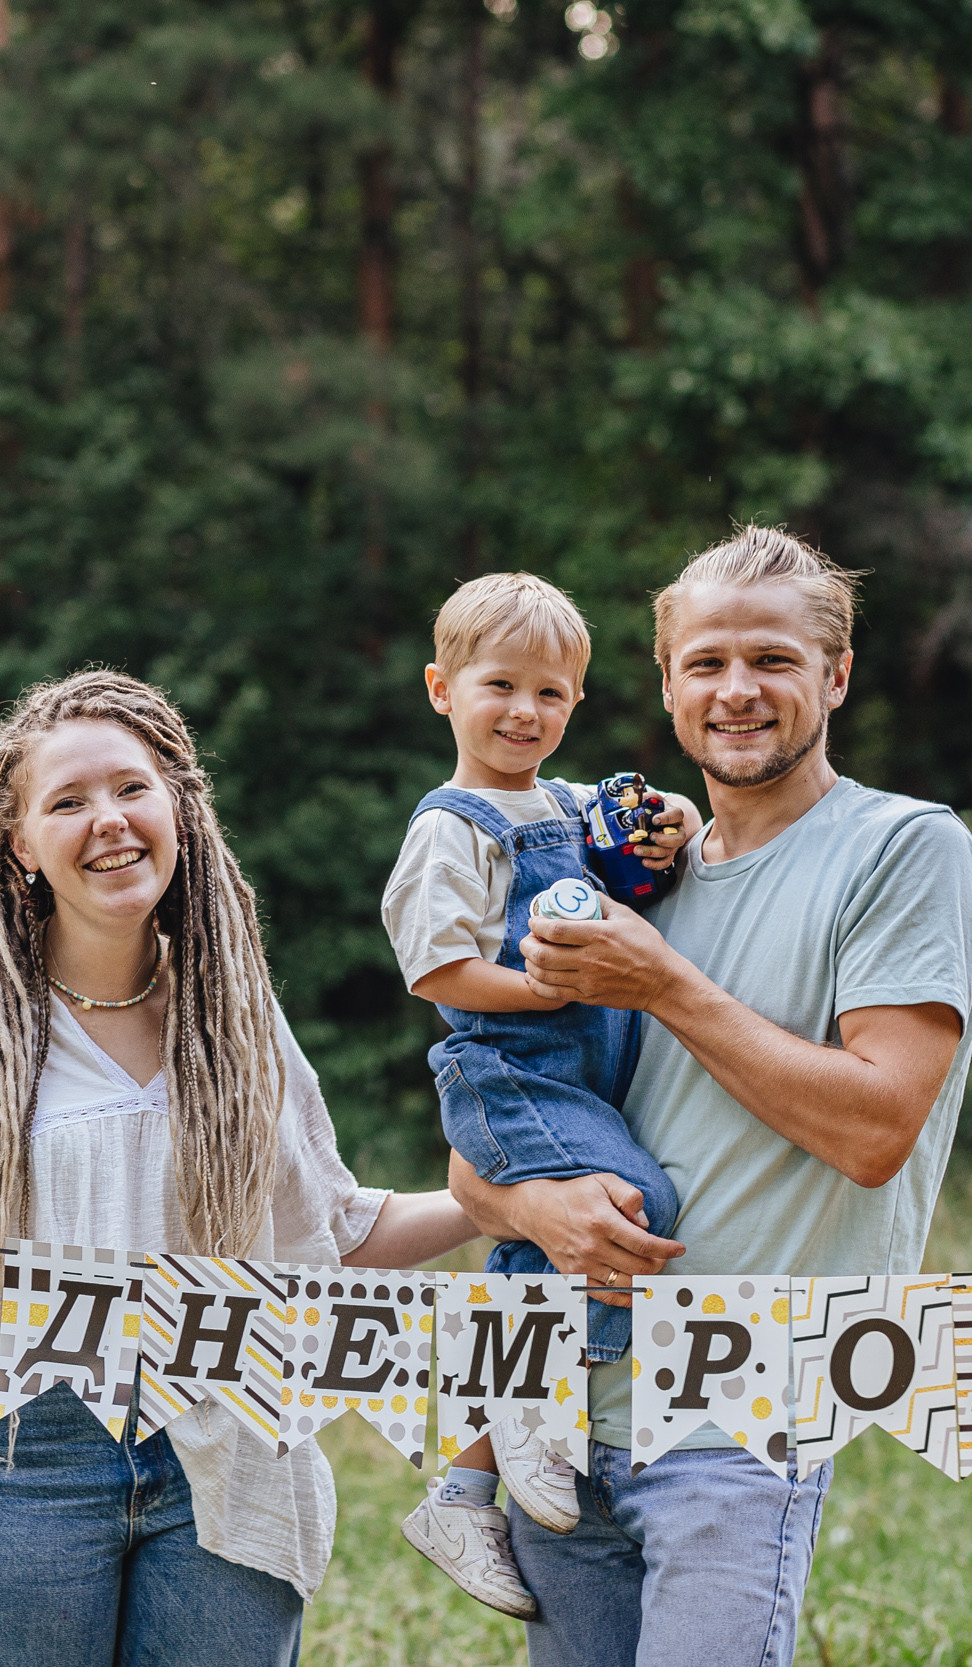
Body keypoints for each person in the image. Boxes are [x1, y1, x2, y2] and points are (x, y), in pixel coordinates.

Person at [0, 669, 478, 1667]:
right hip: (11, 1458)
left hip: (227, 1450)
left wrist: (492, 1202)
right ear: (19, 846)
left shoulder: (232, 1008)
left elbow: (334, 1234)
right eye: (67, 801)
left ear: (177, 807)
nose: (109, 819)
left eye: (132, 788)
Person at [450, 527, 972, 1667]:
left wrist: (664, 983)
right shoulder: (622, 877)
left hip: (740, 1421)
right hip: (561, 1421)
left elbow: (876, 1128)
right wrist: (537, 1208)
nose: (736, 690)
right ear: (665, 684)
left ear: (836, 676)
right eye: (705, 662)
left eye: (773, 659)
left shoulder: (904, 849)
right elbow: (484, 1144)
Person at [380, 572, 689, 1621]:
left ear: (575, 702)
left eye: (550, 693)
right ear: (442, 689)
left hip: (577, 1071)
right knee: (627, 1203)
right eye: (500, 686)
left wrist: (676, 820)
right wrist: (550, 988)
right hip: (509, 1067)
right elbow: (436, 968)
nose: (525, 712)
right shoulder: (450, 827)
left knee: (539, 1246)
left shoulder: (564, 804)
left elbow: (643, 841)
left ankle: (463, 1492)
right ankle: (532, 1414)